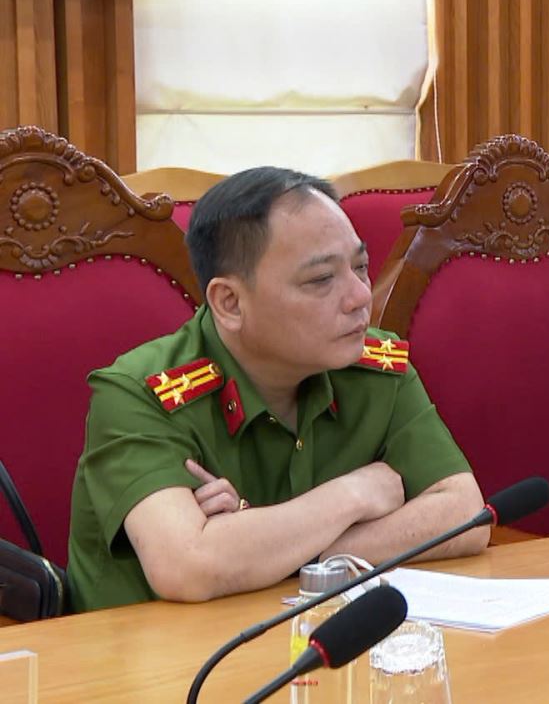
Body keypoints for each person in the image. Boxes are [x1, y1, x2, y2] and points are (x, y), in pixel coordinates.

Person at [67, 168, 487, 611]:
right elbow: (187, 565)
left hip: (311, 642)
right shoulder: (140, 393)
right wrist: (353, 495)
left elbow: (465, 514)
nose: (360, 297)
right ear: (230, 303)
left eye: (360, 267)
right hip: (160, 651)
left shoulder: (375, 368)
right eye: (321, 279)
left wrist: (270, 546)